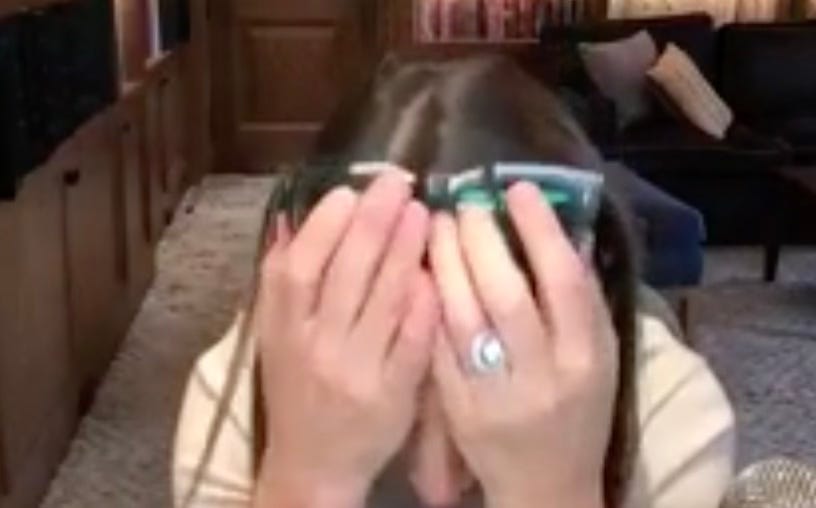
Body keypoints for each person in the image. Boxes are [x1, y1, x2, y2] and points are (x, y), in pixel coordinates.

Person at [172, 55, 735, 508]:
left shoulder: (669, 411)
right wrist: (306, 482)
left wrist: (553, 493)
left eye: (488, 384)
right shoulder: (241, 392)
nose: (437, 491)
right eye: (404, 420)